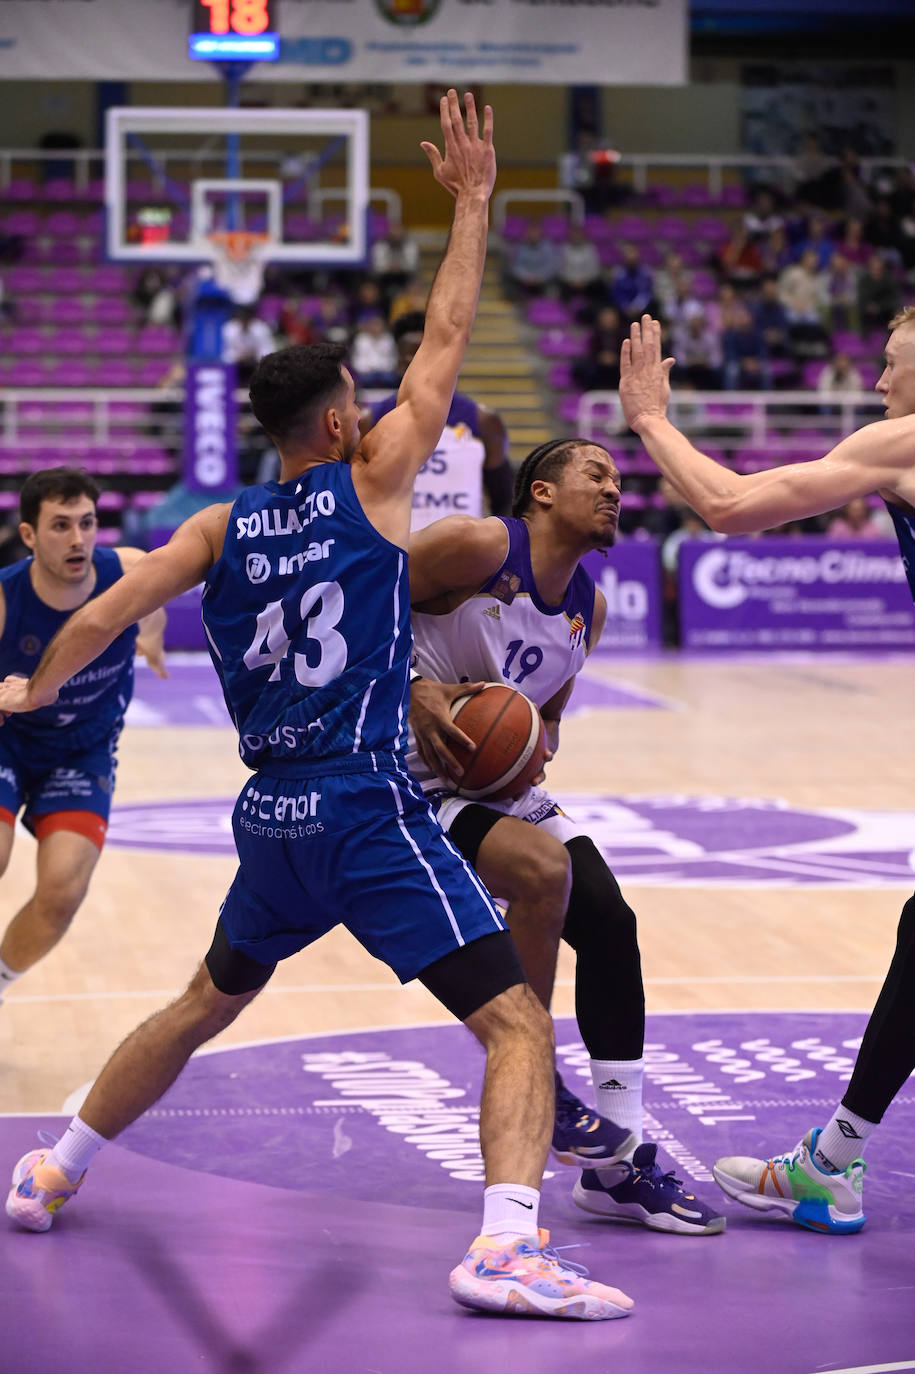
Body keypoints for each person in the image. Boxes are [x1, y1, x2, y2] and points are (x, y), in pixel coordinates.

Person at [3, 92, 633, 1323]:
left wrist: (38, 686)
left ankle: (50, 1169)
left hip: (271, 819)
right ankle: (506, 1248)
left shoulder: (213, 525)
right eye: (363, 400)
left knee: (201, 1003)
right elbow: (448, 332)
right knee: (512, 1020)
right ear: (342, 420)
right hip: (366, 808)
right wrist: (471, 202)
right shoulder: (374, 482)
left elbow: (96, 616)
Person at [617, 305, 915, 1234]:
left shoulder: (902, 442)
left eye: (891, 361)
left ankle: (831, 1162)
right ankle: (833, 1156)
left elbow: (729, 507)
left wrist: (651, 422)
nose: (876, 380)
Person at [403, 439, 725, 1236]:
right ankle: (533, 1073)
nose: (615, 489)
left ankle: (616, 1165)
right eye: (596, 476)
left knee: (611, 923)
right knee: (544, 871)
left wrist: (533, 740)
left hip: (483, 785)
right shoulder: (478, 545)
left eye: (618, 480)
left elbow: (544, 710)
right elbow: (351, 599)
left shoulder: (593, 606)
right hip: (402, 778)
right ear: (540, 493)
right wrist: (412, 687)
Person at [0, 467, 167, 1003]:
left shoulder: (133, 574)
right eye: (60, 526)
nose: (78, 539)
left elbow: (155, 613)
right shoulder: (6, 600)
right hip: (9, 741)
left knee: (62, 893)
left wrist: (153, 643)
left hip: (82, 749)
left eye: (88, 523)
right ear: (29, 535)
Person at [359, 310, 513, 530]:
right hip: (395, 552)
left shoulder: (485, 422)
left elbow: (503, 500)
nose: (420, 364)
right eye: (410, 354)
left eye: (427, 354)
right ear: (398, 361)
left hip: (461, 551)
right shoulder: (370, 421)